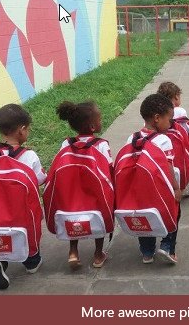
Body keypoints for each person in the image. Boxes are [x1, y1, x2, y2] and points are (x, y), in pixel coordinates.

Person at [0, 103, 46, 290]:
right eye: (28, 129)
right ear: (22, 130)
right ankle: (31, 262)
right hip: (19, 211)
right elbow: (38, 180)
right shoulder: (29, 156)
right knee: (27, 231)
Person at [125, 94, 181, 264]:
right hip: (160, 189)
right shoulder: (163, 140)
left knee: (144, 217)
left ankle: (147, 252)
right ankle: (167, 247)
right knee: (173, 212)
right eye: (169, 119)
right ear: (157, 118)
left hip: (139, 191)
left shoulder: (132, 137)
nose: (170, 123)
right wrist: (176, 188)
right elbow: (168, 167)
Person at [56, 100, 113, 268]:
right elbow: (108, 169)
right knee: (100, 217)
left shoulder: (67, 143)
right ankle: (98, 254)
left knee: (73, 217)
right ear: (93, 127)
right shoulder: (101, 144)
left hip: (72, 192)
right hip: (94, 192)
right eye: (100, 119)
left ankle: (73, 251)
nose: (101, 121)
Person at [157, 82, 189, 196]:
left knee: (166, 166)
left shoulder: (158, 112)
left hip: (162, 145)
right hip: (179, 146)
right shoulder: (179, 111)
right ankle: (181, 189)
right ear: (176, 96)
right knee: (181, 167)